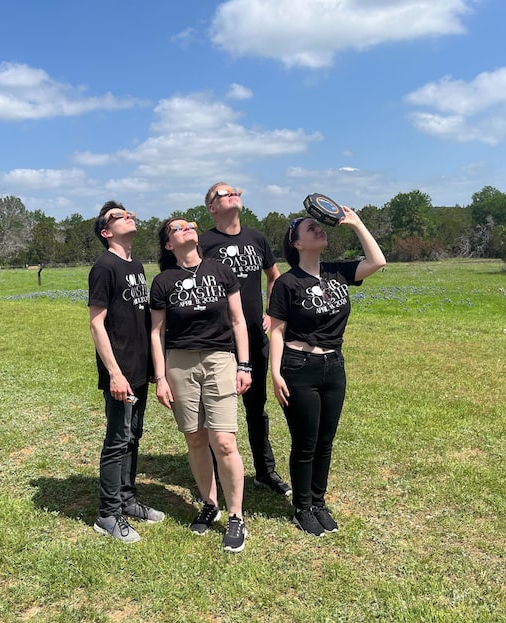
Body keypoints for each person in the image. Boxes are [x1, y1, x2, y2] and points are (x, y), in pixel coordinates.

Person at [267, 206, 385, 537]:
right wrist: (275, 374)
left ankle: (318, 502)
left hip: (333, 366)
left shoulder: (336, 272)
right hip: (298, 366)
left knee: (325, 441)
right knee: (305, 442)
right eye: (309, 228)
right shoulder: (287, 283)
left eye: (319, 226)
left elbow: (377, 262)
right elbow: (276, 331)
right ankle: (302, 507)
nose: (318, 229)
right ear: (297, 244)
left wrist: (357, 223)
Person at [150, 217, 251, 553]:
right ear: (168, 244)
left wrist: (244, 364)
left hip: (220, 359)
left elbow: (238, 321)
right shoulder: (163, 281)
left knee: (223, 441)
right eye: (177, 228)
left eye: (190, 225)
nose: (187, 228)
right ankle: (210, 504)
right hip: (179, 363)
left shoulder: (221, 272)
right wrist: (161, 376)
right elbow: (157, 333)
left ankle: (235, 515)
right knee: (195, 438)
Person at [199, 182, 292, 497]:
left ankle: (265, 472)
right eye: (225, 193)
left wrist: (270, 311)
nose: (234, 194)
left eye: (236, 190)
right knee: (217, 413)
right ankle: (214, 475)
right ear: (212, 207)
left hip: (254, 336)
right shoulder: (203, 243)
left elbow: (274, 276)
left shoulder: (257, 238)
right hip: (219, 341)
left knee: (257, 408)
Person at [88, 201, 165, 543]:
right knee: (118, 439)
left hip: (138, 368)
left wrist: (148, 365)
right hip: (119, 372)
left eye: (128, 212)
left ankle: (127, 499)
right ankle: (107, 514)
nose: (128, 216)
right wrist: (115, 373)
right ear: (107, 232)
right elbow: (96, 323)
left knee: (134, 436)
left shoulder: (136, 265)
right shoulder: (105, 266)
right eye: (118, 216)